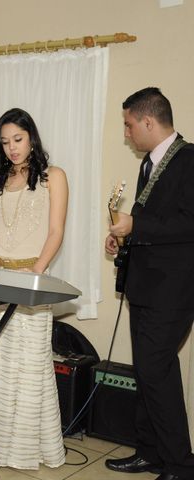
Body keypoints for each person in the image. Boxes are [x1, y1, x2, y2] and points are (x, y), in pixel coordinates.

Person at [0, 108, 68, 470]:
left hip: (32, 282)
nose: (12, 148)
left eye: (18, 139)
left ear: (32, 137)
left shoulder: (53, 176)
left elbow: (56, 231)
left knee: (29, 367)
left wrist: (36, 274)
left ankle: (24, 449)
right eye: (5, 142)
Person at [104, 87, 194, 480]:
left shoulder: (189, 160)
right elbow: (153, 222)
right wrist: (125, 234)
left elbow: (189, 224)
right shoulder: (149, 164)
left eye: (128, 125)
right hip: (144, 286)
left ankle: (180, 464)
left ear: (147, 121)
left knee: (157, 371)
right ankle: (150, 451)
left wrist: (136, 225)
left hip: (173, 291)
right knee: (145, 369)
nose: (126, 134)